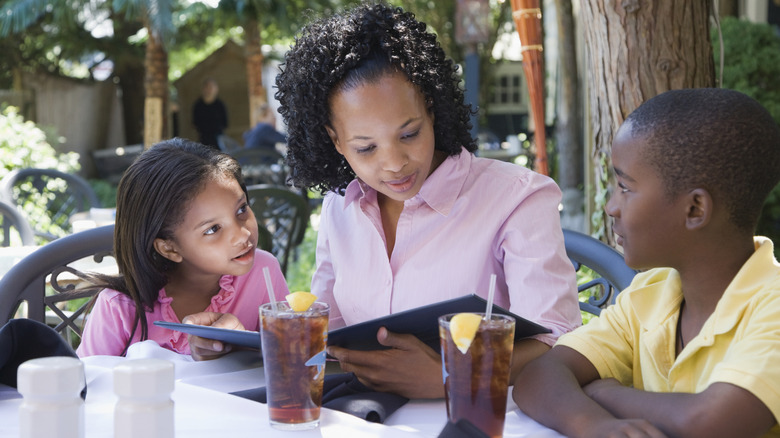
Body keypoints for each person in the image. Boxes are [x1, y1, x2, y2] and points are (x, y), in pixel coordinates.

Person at [272, 2, 582, 399]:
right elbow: (329, 331)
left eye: (409, 134)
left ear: (431, 109)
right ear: (335, 141)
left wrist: (453, 376)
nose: (395, 164)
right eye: (366, 148)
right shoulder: (341, 206)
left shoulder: (517, 199)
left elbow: (560, 343)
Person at [512, 88, 780, 438]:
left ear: (695, 209)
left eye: (625, 187)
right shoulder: (650, 294)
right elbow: (538, 377)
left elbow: (708, 421)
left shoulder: (771, 307)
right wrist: (596, 425)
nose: (611, 207)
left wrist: (603, 392)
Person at [76, 138, 288, 360]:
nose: (243, 234)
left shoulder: (263, 271)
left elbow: (293, 359)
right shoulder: (119, 308)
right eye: (212, 229)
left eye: (241, 209)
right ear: (169, 248)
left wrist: (245, 349)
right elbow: (87, 385)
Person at [192, 78, 228, 150]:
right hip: (203, 139)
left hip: (218, 140)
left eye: (211, 87)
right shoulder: (198, 105)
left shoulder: (220, 105)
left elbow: (225, 123)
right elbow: (195, 122)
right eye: (207, 87)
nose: (209, 90)